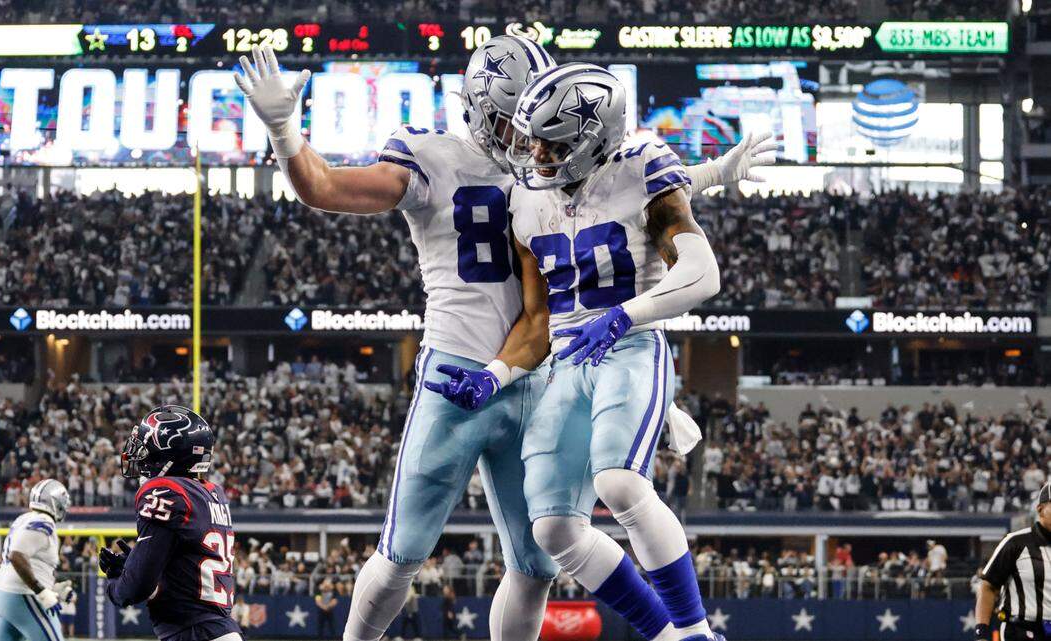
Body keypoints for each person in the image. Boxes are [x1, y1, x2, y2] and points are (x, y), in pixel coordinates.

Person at [237, 39, 768, 641]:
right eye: (512, 123)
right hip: (457, 369)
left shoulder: (553, 165)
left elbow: (625, 195)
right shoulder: (434, 156)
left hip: (544, 370)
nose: (525, 142)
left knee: (538, 563)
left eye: (533, 126)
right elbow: (327, 188)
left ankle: (678, 631)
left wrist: (714, 174)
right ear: (476, 107)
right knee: (402, 553)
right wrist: (284, 130)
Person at [427, 63, 774, 641]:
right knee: (552, 531)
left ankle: (695, 633)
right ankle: (665, 635)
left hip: (630, 346)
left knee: (620, 484)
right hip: (565, 362)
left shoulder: (642, 167)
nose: (536, 152)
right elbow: (538, 319)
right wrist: (493, 374)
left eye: (552, 141)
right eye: (533, 137)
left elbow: (702, 271)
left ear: (594, 139)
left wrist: (625, 315)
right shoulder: (527, 201)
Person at [100, 406, 241, 641]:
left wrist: (116, 585)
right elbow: (182, 577)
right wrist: (134, 565)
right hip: (214, 630)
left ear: (169, 455)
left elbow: (136, 588)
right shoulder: (211, 494)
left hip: (196, 634)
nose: (140, 458)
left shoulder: (167, 492)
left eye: (146, 451)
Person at [0, 480, 74, 641]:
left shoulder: (24, 519)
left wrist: (52, 587)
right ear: (53, 502)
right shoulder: (44, 522)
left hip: (1, 595)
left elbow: (33, 563)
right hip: (20, 596)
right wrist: (41, 591)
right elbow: (16, 556)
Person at [975, 482, 1051, 641]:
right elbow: (988, 586)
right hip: (1020, 631)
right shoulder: (1016, 543)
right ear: (1040, 509)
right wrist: (981, 633)